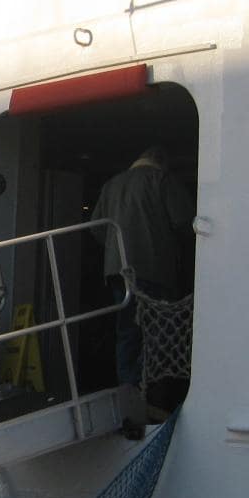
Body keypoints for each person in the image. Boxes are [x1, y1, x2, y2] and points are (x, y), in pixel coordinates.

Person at [91, 146, 195, 397]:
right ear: (161, 162)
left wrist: (116, 250)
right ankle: (152, 387)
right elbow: (184, 221)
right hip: (155, 268)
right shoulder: (162, 180)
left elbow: (96, 227)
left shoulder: (112, 185)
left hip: (119, 270)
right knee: (159, 330)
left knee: (127, 329)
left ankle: (127, 385)